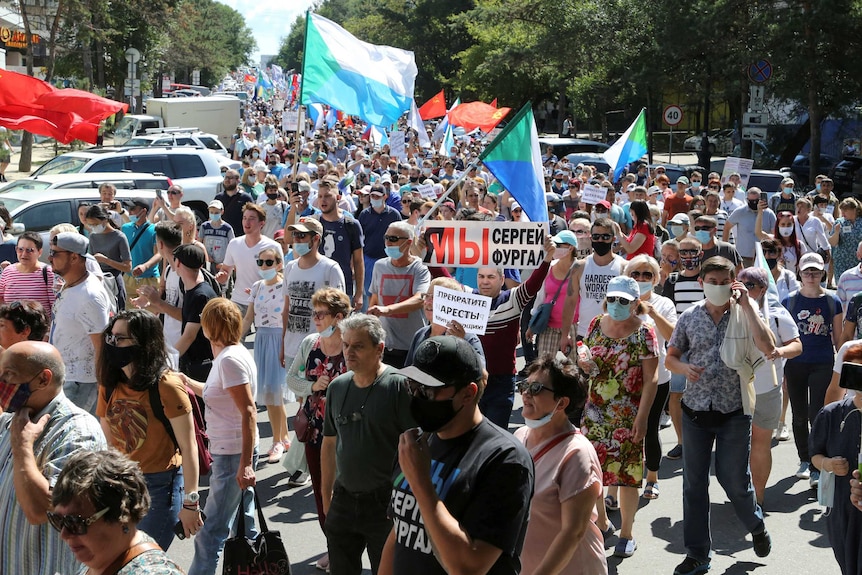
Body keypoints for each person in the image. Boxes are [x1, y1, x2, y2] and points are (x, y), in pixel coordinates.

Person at [381, 335, 533, 575]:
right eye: (413, 387)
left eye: (429, 391)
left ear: (468, 394)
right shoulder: (417, 443)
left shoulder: (505, 459)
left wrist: (421, 483)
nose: (418, 397)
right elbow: (400, 531)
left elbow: (468, 568)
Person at [666, 256, 776, 575]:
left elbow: (768, 347)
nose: (716, 287)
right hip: (696, 411)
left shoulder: (744, 314)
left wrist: (748, 306)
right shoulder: (689, 317)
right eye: (711, 282)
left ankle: (755, 524)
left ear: (733, 284)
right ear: (701, 283)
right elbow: (671, 357)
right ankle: (698, 553)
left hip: (734, 412)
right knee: (694, 484)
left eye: (723, 282)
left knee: (733, 480)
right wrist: (684, 367)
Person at [95, 308, 202, 550]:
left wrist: (191, 503)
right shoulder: (109, 384)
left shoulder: (167, 385)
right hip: (122, 483)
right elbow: (108, 443)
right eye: (110, 337)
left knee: (142, 558)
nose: (112, 343)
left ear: (143, 343)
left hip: (160, 487)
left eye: (120, 338)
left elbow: (189, 446)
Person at [0, 341, 107, 575]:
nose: (3, 383)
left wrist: (22, 446)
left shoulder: (77, 431)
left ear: (43, 379)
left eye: (9, 374)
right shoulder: (11, 420)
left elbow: (41, 510)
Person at [321, 313, 416, 575]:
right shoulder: (337, 387)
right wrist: (326, 499)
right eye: (346, 345)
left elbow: (416, 448)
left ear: (379, 349)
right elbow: (329, 443)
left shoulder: (398, 387)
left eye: (358, 346)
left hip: (385, 505)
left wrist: (406, 504)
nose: (349, 352)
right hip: (343, 500)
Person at [581, 276, 658, 558]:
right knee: (595, 471)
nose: (615, 304)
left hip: (627, 414)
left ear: (636, 303)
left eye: (623, 301)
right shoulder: (595, 325)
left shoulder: (644, 333)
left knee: (626, 476)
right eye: (612, 298)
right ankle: (601, 520)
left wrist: (643, 417)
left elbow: (652, 379)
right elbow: (589, 362)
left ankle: (627, 532)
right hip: (595, 412)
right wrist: (583, 362)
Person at [183, 298, 258, 575]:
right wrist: (188, 382)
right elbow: (221, 394)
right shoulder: (230, 354)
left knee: (211, 532)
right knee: (243, 526)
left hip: (233, 454)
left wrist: (245, 463)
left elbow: (248, 411)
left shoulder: (228, 360)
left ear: (209, 327)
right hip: (234, 451)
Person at [513, 356, 608, 575]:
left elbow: (573, 533)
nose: (526, 393)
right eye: (524, 385)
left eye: (536, 388)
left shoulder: (577, 454)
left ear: (562, 403)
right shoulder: (519, 437)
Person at [286, 287, 352, 571]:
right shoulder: (311, 343)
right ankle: (333, 548)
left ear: (339, 317)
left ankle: (350, 548)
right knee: (322, 492)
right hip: (315, 432)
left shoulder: (352, 344)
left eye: (321, 314)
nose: (315, 319)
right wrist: (312, 386)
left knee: (349, 492)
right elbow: (291, 379)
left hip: (349, 434)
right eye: (314, 313)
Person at [50, 449, 185, 574]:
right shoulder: (105, 556)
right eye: (58, 520)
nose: (64, 534)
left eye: (75, 522)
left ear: (123, 514)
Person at [736, 267, 802, 505]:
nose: (743, 289)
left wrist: (779, 352)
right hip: (733, 390)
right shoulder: (727, 312)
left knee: (760, 443)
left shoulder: (775, 313)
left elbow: (797, 345)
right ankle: (740, 494)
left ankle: (758, 498)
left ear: (763, 289)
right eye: (739, 284)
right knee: (735, 445)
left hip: (765, 389)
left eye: (750, 285)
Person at [781, 252, 843, 488]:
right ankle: (804, 459)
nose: (811, 275)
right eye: (807, 271)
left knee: (818, 413)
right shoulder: (790, 301)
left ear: (822, 273)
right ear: (800, 272)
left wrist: (842, 372)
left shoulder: (832, 301)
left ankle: (818, 464)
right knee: (798, 414)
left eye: (815, 271)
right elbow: (784, 337)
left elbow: (838, 339)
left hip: (822, 362)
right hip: (796, 364)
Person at [625, 255, 677, 500]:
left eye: (647, 275)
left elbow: (674, 336)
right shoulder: (619, 301)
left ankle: (652, 477)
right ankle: (621, 483)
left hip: (657, 378)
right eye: (636, 274)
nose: (641, 279)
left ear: (656, 279)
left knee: (650, 427)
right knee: (624, 430)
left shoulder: (664, 303)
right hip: (624, 378)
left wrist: (655, 315)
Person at [809, 348, 862, 575]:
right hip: (841, 506)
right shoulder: (832, 414)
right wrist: (828, 464)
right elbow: (815, 455)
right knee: (846, 562)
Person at [48, 232, 112, 414]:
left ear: (74, 257)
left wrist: (103, 389)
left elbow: (101, 345)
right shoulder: (71, 283)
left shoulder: (89, 295)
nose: (49, 257)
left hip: (81, 383)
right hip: (66, 377)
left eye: (55, 253)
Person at [241, 246, 290, 463]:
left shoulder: (285, 286)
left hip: (278, 339)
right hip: (262, 339)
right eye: (260, 262)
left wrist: (284, 345)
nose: (264, 266)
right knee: (271, 393)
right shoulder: (257, 286)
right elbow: (249, 317)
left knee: (273, 394)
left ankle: (278, 441)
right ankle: (284, 437)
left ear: (279, 264)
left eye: (268, 262)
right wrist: (234, 340)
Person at [367, 221, 430, 368]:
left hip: (411, 347)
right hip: (384, 345)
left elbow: (420, 299)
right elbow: (375, 298)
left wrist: (387, 310)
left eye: (393, 239)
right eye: (386, 237)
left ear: (408, 243)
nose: (388, 242)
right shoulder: (379, 266)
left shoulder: (420, 268)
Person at [217, 203, 283, 317]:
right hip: (238, 301)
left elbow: (281, 276)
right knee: (236, 335)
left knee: (263, 335)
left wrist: (263, 291)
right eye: (244, 218)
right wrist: (222, 277)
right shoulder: (234, 244)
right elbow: (226, 269)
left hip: (264, 302)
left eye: (251, 219)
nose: (247, 222)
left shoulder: (273, 247)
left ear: (261, 223)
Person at [406, 276, 486, 367]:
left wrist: (461, 345)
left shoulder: (468, 338)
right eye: (427, 296)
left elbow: (481, 376)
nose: (428, 302)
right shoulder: (420, 334)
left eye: (436, 297)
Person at [316, 177, 366, 310]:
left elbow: (358, 261)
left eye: (327, 196)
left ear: (338, 197)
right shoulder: (314, 223)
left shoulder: (351, 225)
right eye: (320, 196)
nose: (323, 200)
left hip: (342, 289)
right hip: (317, 288)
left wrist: (359, 293)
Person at [84, 204, 131, 310]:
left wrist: (106, 260)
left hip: (114, 280)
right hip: (97, 278)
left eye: (95, 224)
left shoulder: (119, 237)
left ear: (105, 220)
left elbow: (127, 267)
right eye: (91, 225)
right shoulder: (93, 236)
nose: (93, 227)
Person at [0, 231, 56, 320]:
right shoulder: (8, 272)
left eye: (29, 250)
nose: (24, 254)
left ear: (40, 252)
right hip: (12, 331)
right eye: (20, 249)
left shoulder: (48, 272)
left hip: (40, 332)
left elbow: (55, 307)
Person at [723, 188, 776, 267]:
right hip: (743, 258)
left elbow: (775, 234)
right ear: (747, 200)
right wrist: (726, 249)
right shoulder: (740, 212)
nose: (754, 203)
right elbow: (727, 227)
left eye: (756, 200)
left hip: (764, 258)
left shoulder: (769, 214)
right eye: (751, 201)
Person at [122, 199, 161, 302]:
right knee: (128, 315)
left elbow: (159, 254)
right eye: (129, 209)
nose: (129, 212)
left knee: (149, 315)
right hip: (128, 278)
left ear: (143, 211)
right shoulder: (125, 228)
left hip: (149, 279)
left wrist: (145, 266)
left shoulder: (155, 230)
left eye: (133, 209)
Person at [199, 199, 235, 278]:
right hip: (208, 262)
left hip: (222, 263)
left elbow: (233, 245)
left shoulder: (227, 228)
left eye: (216, 213)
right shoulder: (204, 226)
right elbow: (199, 243)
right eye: (211, 212)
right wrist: (206, 255)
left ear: (222, 212)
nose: (213, 214)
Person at [214, 169, 255, 235]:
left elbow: (253, 217)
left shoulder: (245, 198)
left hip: (240, 237)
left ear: (238, 180)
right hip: (222, 236)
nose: (227, 180)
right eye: (226, 177)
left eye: (230, 178)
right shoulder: (218, 198)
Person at [829, 197, 862, 280]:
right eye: (842, 211)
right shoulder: (839, 222)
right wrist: (836, 232)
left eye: (845, 211)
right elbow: (833, 243)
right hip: (841, 261)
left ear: (854, 210)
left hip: (858, 260)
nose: (843, 213)